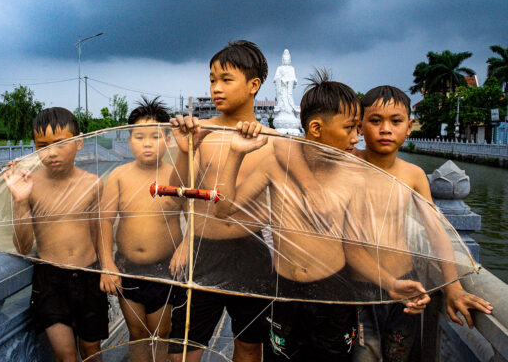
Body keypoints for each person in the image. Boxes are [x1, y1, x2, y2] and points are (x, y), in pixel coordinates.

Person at [214, 71, 430, 362]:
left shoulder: (352, 176)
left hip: (334, 293)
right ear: (316, 128)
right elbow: (225, 210)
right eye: (350, 128)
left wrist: (390, 283)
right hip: (285, 290)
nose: (357, 138)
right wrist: (235, 155)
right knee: (281, 357)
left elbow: (352, 248)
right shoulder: (275, 164)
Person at [351, 85, 493, 362]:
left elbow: (436, 231)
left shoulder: (413, 175)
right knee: (362, 356)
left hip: (406, 285)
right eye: (375, 121)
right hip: (359, 287)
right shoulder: (348, 163)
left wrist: (452, 286)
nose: (385, 129)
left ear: (409, 126)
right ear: (359, 126)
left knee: (397, 354)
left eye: (396, 121)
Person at [167, 40, 272, 362]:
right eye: (212, 79)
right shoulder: (200, 133)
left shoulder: (271, 142)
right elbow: (175, 194)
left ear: (254, 85)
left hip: (251, 252)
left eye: (226, 79)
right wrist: (186, 152)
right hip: (202, 250)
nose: (216, 88)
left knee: (249, 345)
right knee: (182, 349)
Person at [3, 107, 108, 362]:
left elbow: (101, 232)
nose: (51, 152)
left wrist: (107, 268)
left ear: (79, 142)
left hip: (89, 275)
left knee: (91, 349)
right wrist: (20, 201)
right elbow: (24, 246)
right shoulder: (29, 185)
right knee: (65, 355)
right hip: (50, 280)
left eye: (61, 143)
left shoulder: (93, 183)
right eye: (42, 145)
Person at [99, 97, 184, 362]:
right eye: (139, 136)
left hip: (166, 267)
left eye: (155, 137)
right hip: (128, 267)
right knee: (137, 332)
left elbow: (197, 215)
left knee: (161, 331)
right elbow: (104, 220)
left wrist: (185, 246)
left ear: (168, 140)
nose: (147, 143)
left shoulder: (177, 175)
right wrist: (107, 265)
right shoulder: (118, 176)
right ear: (129, 140)